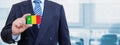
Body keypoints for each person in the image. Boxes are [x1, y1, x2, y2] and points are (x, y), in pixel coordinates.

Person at [1, 0, 71, 45]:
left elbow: (65, 40)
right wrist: (14, 34)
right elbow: (4, 35)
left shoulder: (58, 8)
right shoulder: (17, 7)